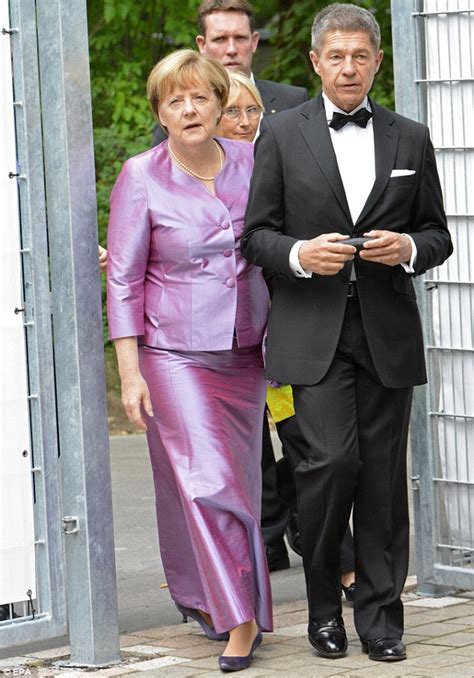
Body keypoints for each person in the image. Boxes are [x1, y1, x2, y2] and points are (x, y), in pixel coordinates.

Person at [242, 2, 452, 664]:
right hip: (313, 330)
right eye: (336, 55)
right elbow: (256, 237)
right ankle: (325, 607)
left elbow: (438, 234)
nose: (348, 66)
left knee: (384, 479)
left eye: (360, 55)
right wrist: (302, 256)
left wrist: (408, 249)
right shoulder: (279, 135)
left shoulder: (409, 137)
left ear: (378, 62)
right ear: (315, 62)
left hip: (387, 329)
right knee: (329, 465)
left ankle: (382, 619)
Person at [107, 49, 271, 673]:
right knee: (208, 483)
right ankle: (241, 619)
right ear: (161, 113)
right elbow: (122, 280)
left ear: (220, 102)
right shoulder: (140, 174)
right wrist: (130, 372)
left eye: (200, 96)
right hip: (173, 352)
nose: (189, 109)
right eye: (174, 101)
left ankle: (206, 596)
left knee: (240, 486)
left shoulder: (254, 162)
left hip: (247, 349)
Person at [151, 0, 309, 573]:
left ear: (254, 42)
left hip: (284, 303)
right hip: (220, 317)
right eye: (219, 39)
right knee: (245, 439)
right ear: (202, 44)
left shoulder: (292, 104)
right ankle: (262, 537)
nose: (230, 49)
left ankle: (305, 525)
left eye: (239, 38)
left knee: (299, 425)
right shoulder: (187, 116)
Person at [218, 70, 356, 595]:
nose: (245, 121)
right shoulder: (197, 171)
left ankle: (341, 561)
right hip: (225, 341)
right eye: (233, 111)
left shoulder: (276, 159)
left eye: (253, 111)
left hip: (285, 331)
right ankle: (244, 573)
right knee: (243, 457)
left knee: (308, 445)